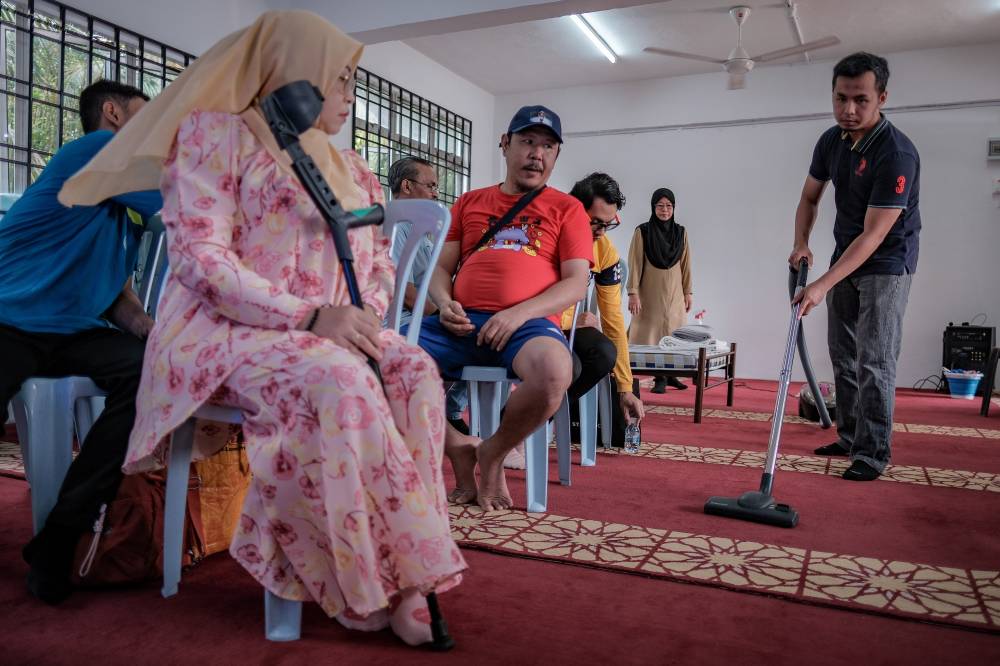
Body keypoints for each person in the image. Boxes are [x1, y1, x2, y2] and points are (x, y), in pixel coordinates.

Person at [59, 11, 465, 646]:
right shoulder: (211, 137)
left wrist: (363, 314)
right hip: (226, 330)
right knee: (334, 379)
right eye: (340, 78)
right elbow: (200, 259)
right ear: (291, 75)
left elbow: (377, 260)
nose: (349, 94)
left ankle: (411, 572)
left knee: (413, 369)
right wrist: (305, 316)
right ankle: (356, 579)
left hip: (325, 329)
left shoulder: (349, 166)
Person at [0, 79, 160, 605]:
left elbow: (118, 295)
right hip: (11, 316)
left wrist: (149, 330)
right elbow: (184, 198)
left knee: (143, 369)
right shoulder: (92, 151)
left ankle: (58, 538)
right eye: (148, 114)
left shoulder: (117, 208)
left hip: (71, 331)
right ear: (113, 113)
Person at [416, 105, 592, 511]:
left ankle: (493, 451)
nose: (537, 154)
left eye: (548, 146)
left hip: (525, 325)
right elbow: (442, 269)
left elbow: (575, 282)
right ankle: (458, 445)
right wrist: (443, 303)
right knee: (379, 358)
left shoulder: (568, 210)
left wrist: (519, 313)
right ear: (505, 144)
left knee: (555, 372)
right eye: (528, 142)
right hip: (458, 321)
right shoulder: (470, 202)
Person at [790, 52, 920, 482]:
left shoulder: (896, 153)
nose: (849, 110)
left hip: (886, 261)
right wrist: (802, 243)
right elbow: (810, 197)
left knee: (874, 358)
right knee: (842, 352)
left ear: (881, 97)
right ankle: (849, 435)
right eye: (841, 98)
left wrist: (822, 284)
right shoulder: (831, 141)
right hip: (845, 255)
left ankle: (872, 451)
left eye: (860, 100)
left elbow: (875, 234)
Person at [387, 157, 472, 436]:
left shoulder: (420, 229)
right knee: (479, 337)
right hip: (399, 321)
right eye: (431, 185)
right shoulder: (397, 224)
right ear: (407, 186)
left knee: (486, 331)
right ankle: (454, 415)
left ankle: (452, 412)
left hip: (420, 318)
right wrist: (441, 314)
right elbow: (404, 291)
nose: (437, 193)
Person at [564, 172, 644, 426]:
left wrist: (625, 386)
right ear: (574, 210)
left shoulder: (604, 250)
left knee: (603, 353)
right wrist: (570, 319)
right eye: (596, 222)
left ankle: (531, 420)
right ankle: (520, 425)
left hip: (565, 329)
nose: (601, 231)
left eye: (609, 223)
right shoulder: (549, 238)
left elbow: (613, 320)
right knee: (571, 367)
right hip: (534, 324)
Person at [627, 188, 693, 392]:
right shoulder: (643, 231)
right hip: (650, 292)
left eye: (669, 206)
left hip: (674, 293)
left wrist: (688, 292)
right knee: (653, 334)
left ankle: (671, 376)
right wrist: (633, 293)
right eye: (660, 206)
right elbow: (635, 263)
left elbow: (686, 264)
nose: (665, 210)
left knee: (673, 333)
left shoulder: (680, 232)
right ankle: (659, 377)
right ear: (653, 207)